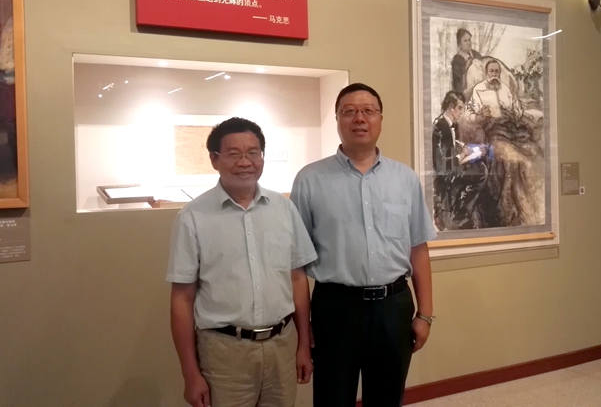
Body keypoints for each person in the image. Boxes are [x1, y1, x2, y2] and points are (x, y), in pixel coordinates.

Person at [290, 83, 437, 407]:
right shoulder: (310, 179)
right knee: (332, 399)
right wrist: (303, 330)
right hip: (335, 308)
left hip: (393, 307)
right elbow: (295, 263)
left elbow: (418, 249)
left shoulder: (405, 179)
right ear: (337, 119)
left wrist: (425, 314)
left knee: (387, 399)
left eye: (368, 111)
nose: (359, 118)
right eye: (349, 111)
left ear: (380, 118)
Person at [167, 117, 318, 407]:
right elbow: (182, 298)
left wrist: (303, 345)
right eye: (233, 154)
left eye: (253, 153)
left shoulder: (284, 208)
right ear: (214, 159)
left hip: (282, 345)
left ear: (262, 156)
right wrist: (190, 373)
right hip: (225, 353)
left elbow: (297, 278)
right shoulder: (193, 217)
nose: (245, 162)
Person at [467, 60, 545, 226]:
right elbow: (469, 114)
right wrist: (480, 115)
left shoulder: (506, 89)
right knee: (513, 160)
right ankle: (510, 209)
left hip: (513, 131)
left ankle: (537, 212)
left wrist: (514, 104)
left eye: (497, 71)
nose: (494, 75)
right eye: (491, 71)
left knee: (535, 154)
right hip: (495, 133)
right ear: (486, 73)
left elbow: (518, 113)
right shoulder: (478, 90)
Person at [432, 91, 491, 230]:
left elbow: (452, 146)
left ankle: (463, 213)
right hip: (445, 174)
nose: (461, 112)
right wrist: (461, 155)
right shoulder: (439, 127)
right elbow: (440, 164)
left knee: (483, 164)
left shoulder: (453, 125)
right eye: (459, 108)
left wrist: (468, 149)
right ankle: (460, 215)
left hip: (454, 166)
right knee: (481, 172)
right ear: (451, 107)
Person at [451, 28, 482, 95]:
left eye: (469, 39)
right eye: (465, 41)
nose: (468, 43)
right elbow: (457, 83)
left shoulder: (476, 55)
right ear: (460, 44)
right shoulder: (457, 60)